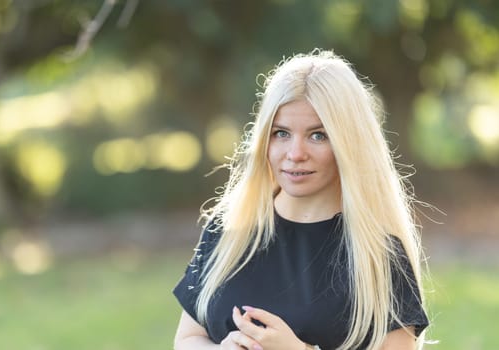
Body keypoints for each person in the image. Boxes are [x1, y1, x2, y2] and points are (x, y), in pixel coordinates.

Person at [173, 49, 429, 350]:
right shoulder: (228, 231)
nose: (295, 154)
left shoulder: (378, 255)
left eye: (318, 135)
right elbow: (187, 340)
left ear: (349, 143)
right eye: (281, 133)